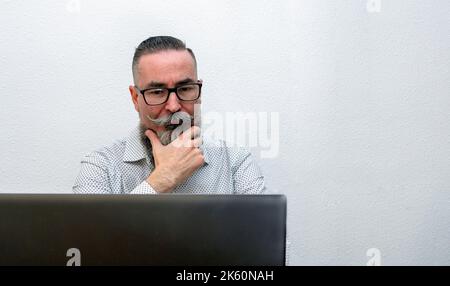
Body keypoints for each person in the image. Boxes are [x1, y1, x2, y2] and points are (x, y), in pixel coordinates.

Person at [73, 36, 266, 194]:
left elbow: (266, 238)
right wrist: (162, 179)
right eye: (157, 92)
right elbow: (88, 240)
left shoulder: (235, 160)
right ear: (135, 98)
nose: (173, 106)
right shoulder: (100, 166)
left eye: (185, 89)